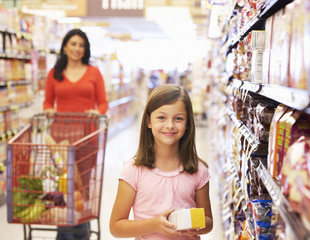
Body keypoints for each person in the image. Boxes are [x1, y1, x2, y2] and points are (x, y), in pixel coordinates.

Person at [109, 84, 213, 239]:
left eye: (178, 118)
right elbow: (116, 227)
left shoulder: (198, 170)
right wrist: (154, 225)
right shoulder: (133, 170)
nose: (170, 125)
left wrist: (195, 225)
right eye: (161, 117)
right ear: (148, 122)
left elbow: (208, 222)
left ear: (188, 124)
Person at [43, 28, 108, 240]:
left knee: (82, 186)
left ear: (86, 49)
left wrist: (96, 112)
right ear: (64, 47)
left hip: (86, 137)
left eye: (81, 45)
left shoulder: (94, 72)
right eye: (73, 44)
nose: (77, 49)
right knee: (64, 184)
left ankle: (76, 234)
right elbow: (47, 101)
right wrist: (48, 110)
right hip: (60, 138)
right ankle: (71, 234)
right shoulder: (54, 73)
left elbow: (103, 103)